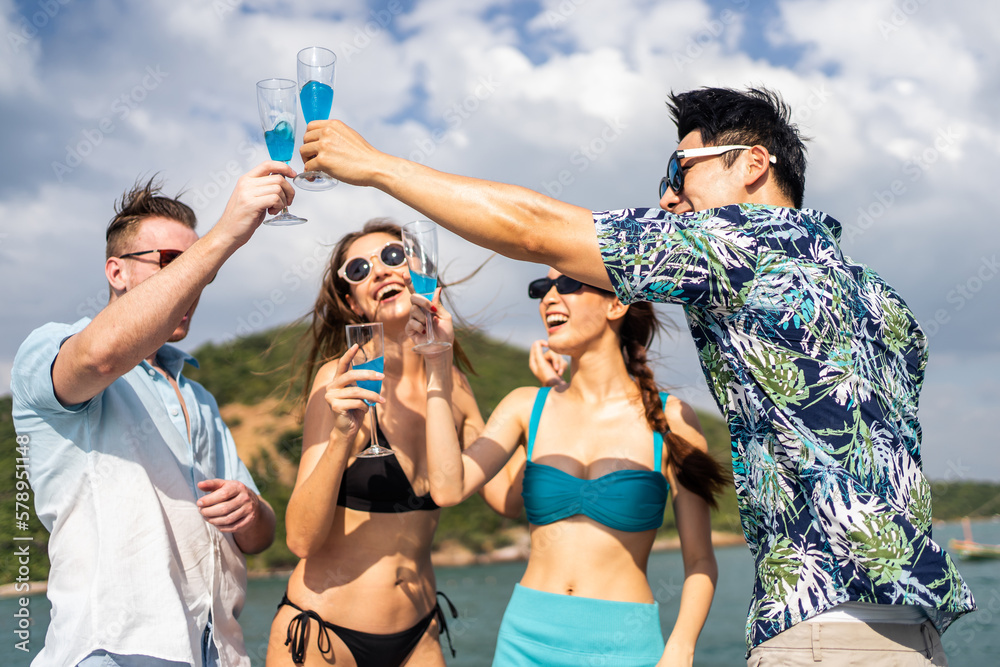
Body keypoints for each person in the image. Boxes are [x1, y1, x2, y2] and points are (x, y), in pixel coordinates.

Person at [300, 86, 975, 664]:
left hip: (821, 625)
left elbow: (535, 229)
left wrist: (371, 165)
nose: (671, 195)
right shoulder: (882, 298)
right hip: (910, 627)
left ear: (754, 165)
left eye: (682, 169)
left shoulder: (737, 246)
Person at [10, 162, 294, 667]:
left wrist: (251, 509)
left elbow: (261, 536)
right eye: (171, 261)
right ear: (115, 270)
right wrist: (226, 234)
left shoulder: (200, 397)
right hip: (114, 650)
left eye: (199, 266)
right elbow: (101, 356)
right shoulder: (49, 349)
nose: (194, 279)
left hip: (219, 654)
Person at [407, 267, 723, 666]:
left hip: (626, 647)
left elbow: (699, 560)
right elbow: (448, 488)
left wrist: (681, 647)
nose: (549, 298)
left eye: (569, 284)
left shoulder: (672, 418)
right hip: (525, 642)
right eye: (542, 288)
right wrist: (437, 361)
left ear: (617, 302)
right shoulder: (527, 407)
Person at [265, 219, 482, 667]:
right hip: (326, 635)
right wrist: (344, 434)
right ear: (352, 304)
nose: (379, 271)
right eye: (359, 269)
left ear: (421, 269)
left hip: (420, 635)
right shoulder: (344, 383)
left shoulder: (455, 386)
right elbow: (300, 539)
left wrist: (546, 402)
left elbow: (498, 491)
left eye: (393, 256)